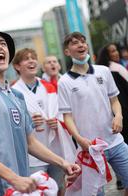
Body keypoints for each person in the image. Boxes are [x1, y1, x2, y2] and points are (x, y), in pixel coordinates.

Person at [0, 30, 80, 196]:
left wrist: (62, 163)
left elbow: (30, 142)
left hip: (22, 188)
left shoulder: (16, 96)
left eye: (3, 44)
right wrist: (13, 178)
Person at [58, 32, 128, 195]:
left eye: (83, 41)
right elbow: (67, 117)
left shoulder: (103, 71)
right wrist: (79, 139)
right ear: (67, 51)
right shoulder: (64, 82)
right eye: (75, 43)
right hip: (90, 147)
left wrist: (118, 116)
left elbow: (114, 101)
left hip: (115, 142)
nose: (81, 45)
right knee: (96, 193)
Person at [12, 48, 76, 196]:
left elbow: (63, 113)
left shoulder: (50, 87)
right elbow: (12, 124)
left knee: (60, 188)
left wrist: (57, 122)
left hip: (55, 149)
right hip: (33, 156)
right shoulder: (13, 92)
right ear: (17, 66)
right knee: (38, 191)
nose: (31, 61)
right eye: (26, 59)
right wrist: (29, 123)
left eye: (33, 58)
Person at [96, 43, 128, 190]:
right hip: (121, 112)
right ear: (106, 54)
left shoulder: (111, 68)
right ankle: (121, 179)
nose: (116, 53)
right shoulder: (112, 69)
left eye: (116, 50)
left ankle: (121, 179)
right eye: (112, 51)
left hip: (119, 112)